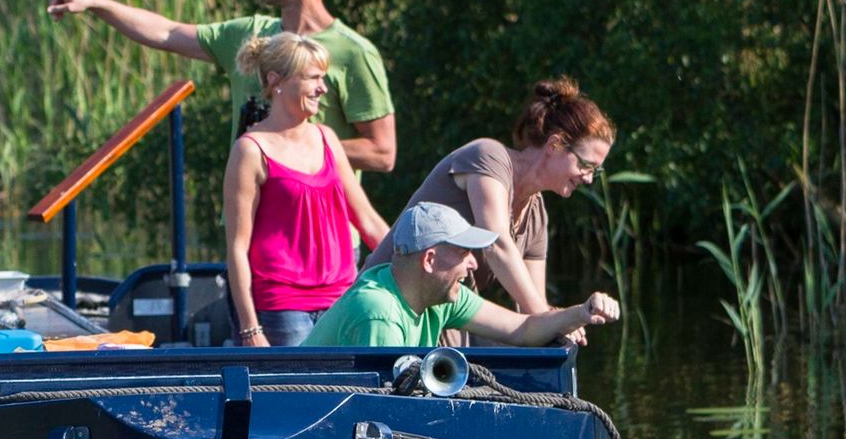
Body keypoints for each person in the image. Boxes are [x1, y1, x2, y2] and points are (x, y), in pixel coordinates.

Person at [33, 0, 396, 174]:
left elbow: (382, 153)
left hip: (321, 238)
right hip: (248, 232)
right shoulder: (249, 34)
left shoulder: (352, 53)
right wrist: (95, 3)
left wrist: (291, 145)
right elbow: (166, 32)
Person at [362, 78, 614, 336]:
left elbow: (532, 310)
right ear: (554, 145)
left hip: (433, 325)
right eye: (586, 165)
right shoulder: (488, 157)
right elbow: (496, 244)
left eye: (596, 171)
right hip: (379, 314)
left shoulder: (537, 215)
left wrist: (563, 321)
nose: (588, 178)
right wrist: (550, 319)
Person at [223, 33, 389, 346]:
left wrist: (413, 263)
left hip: (342, 299)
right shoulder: (250, 150)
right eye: (313, 78)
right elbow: (237, 248)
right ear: (276, 81)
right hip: (282, 308)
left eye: (323, 78)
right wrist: (250, 328)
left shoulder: (327, 138)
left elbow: (367, 220)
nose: (322, 88)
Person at [303, 202, 620, 348]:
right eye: (463, 252)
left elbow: (522, 329)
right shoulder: (379, 311)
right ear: (429, 260)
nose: (473, 264)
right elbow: (377, 414)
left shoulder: (437, 295)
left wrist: (581, 312)